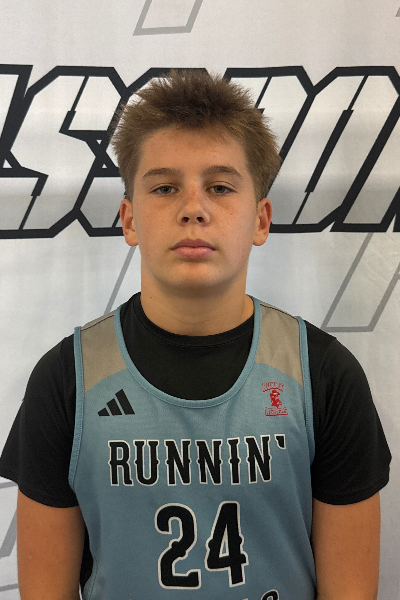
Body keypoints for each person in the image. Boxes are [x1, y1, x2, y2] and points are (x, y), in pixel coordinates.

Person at [0, 70, 391, 600]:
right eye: (165, 187)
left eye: (220, 187)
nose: (193, 208)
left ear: (261, 219)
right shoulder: (66, 379)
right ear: (129, 219)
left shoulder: (324, 376)